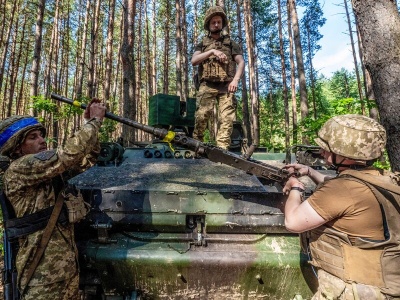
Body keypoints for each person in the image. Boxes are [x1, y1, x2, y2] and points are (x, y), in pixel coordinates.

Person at [282, 114, 400, 299]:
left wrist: (295, 187)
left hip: (356, 291)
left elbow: (293, 222)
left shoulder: (342, 189)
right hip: (386, 286)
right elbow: (347, 191)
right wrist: (310, 172)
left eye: (327, 148)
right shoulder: (386, 178)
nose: (322, 152)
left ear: (345, 153)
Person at [0, 98, 106, 299]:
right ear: (16, 148)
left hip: (65, 274)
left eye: (41, 135)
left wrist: (88, 127)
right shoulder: (19, 169)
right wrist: (94, 122)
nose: (42, 140)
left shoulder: (47, 175)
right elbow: (67, 154)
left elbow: (85, 160)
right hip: (42, 279)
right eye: (33, 137)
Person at [191, 5, 245, 150]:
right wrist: (212, 51)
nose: (216, 24)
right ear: (208, 24)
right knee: (201, 118)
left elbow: (241, 62)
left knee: (227, 120)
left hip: (226, 86)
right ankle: (197, 149)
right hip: (207, 85)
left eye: (219, 22)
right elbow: (194, 61)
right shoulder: (202, 44)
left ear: (222, 24)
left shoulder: (231, 44)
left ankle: (222, 151)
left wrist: (235, 80)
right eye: (213, 22)